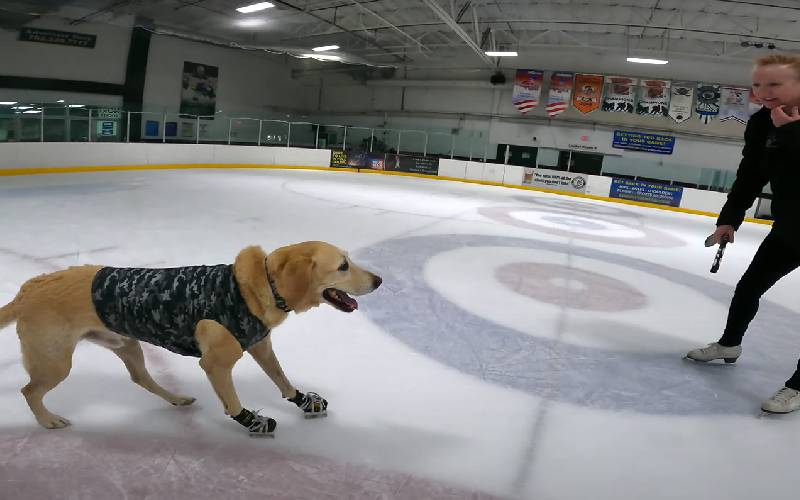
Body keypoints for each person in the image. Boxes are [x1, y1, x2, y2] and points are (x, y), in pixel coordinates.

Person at [686, 54, 800, 414]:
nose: (763, 92)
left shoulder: (783, 125)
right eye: (757, 84)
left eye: (774, 84)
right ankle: (729, 344)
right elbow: (750, 173)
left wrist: (790, 132)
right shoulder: (761, 123)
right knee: (749, 287)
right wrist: (729, 219)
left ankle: (799, 385)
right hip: (790, 228)